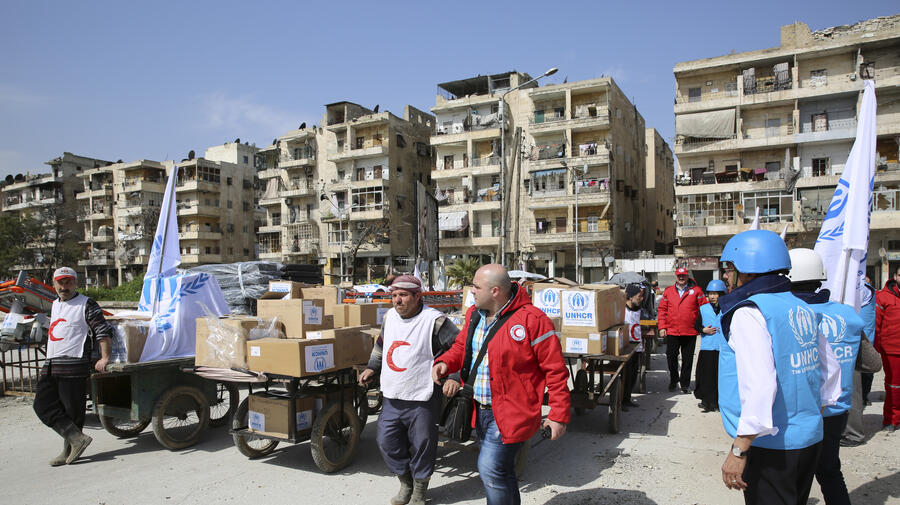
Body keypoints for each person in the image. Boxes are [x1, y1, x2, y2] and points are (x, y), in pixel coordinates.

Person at [716, 231, 841, 505]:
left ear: (748, 270)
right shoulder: (801, 306)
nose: (725, 276)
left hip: (769, 445)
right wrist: (804, 419)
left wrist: (739, 450)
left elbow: (760, 384)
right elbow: (830, 371)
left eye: (729, 269)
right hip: (809, 438)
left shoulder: (749, 313)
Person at [432, 264, 570, 505]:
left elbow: (555, 371)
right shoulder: (475, 314)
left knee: (490, 469)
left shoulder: (533, 320)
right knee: (502, 471)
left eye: (476, 286)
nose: (471, 291)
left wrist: (558, 415)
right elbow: (461, 348)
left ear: (495, 291)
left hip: (511, 412)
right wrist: (445, 362)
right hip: (480, 409)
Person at [358, 275, 459, 505]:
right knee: (386, 441)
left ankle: (420, 490)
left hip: (423, 394)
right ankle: (406, 482)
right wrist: (372, 368)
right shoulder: (390, 317)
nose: (397, 301)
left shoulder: (436, 321)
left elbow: (457, 348)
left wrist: (453, 377)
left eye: (403, 295)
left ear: (417, 296)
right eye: (394, 296)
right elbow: (382, 345)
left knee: (423, 443)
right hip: (393, 393)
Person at [788, 248, 862, 505]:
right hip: (837, 409)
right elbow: (872, 364)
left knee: (795, 476)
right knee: (829, 471)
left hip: (801, 411)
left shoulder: (789, 314)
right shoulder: (848, 314)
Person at [33, 267, 113, 466]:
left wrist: (104, 357)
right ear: (54, 284)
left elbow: (102, 330)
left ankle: (69, 449)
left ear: (75, 283)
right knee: (42, 404)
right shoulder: (55, 304)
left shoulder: (86, 303)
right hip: (51, 364)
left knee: (72, 411)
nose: (64, 286)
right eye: (60, 282)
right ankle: (76, 439)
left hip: (73, 365)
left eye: (68, 282)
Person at [841, 279, 879, 447]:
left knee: (854, 392)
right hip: (855, 347)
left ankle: (853, 433)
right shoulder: (856, 289)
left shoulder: (859, 290)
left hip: (854, 348)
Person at [657, 266, 707, 393]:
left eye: (683, 275)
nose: (681, 278)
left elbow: (704, 309)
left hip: (690, 331)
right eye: (679, 276)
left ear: (687, 276)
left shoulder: (696, 291)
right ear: (676, 276)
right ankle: (674, 380)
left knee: (688, 359)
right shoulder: (668, 291)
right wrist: (662, 327)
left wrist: (703, 327)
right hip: (672, 331)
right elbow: (662, 310)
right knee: (671, 357)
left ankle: (685, 384)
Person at [694, 279, 726, 413]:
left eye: (715, 294)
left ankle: (718, 403)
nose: (712, 296)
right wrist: (703, 330)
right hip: (707, 348)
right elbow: (696, 325)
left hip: (722, 348)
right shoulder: (703, 309)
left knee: (720, 377)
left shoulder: (727, 309)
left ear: (722, 294)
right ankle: (706, 402)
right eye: (710, 294)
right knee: (706, 377)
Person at [875, 268, 900, 432]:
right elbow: (876, 324)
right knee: (894, 386)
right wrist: (876, 348)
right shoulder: (883, 297)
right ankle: (891, 419)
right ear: (896, 276)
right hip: (892, 350)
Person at [621, 284, 644, 410]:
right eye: (639, 296)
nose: (641, 299)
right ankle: (622, 400)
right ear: (630, 298)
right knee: (626, 374)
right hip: (626, 346)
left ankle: (628, 398)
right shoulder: (622, 310)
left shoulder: (639, 310)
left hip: (637, 346)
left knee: (634, 373)